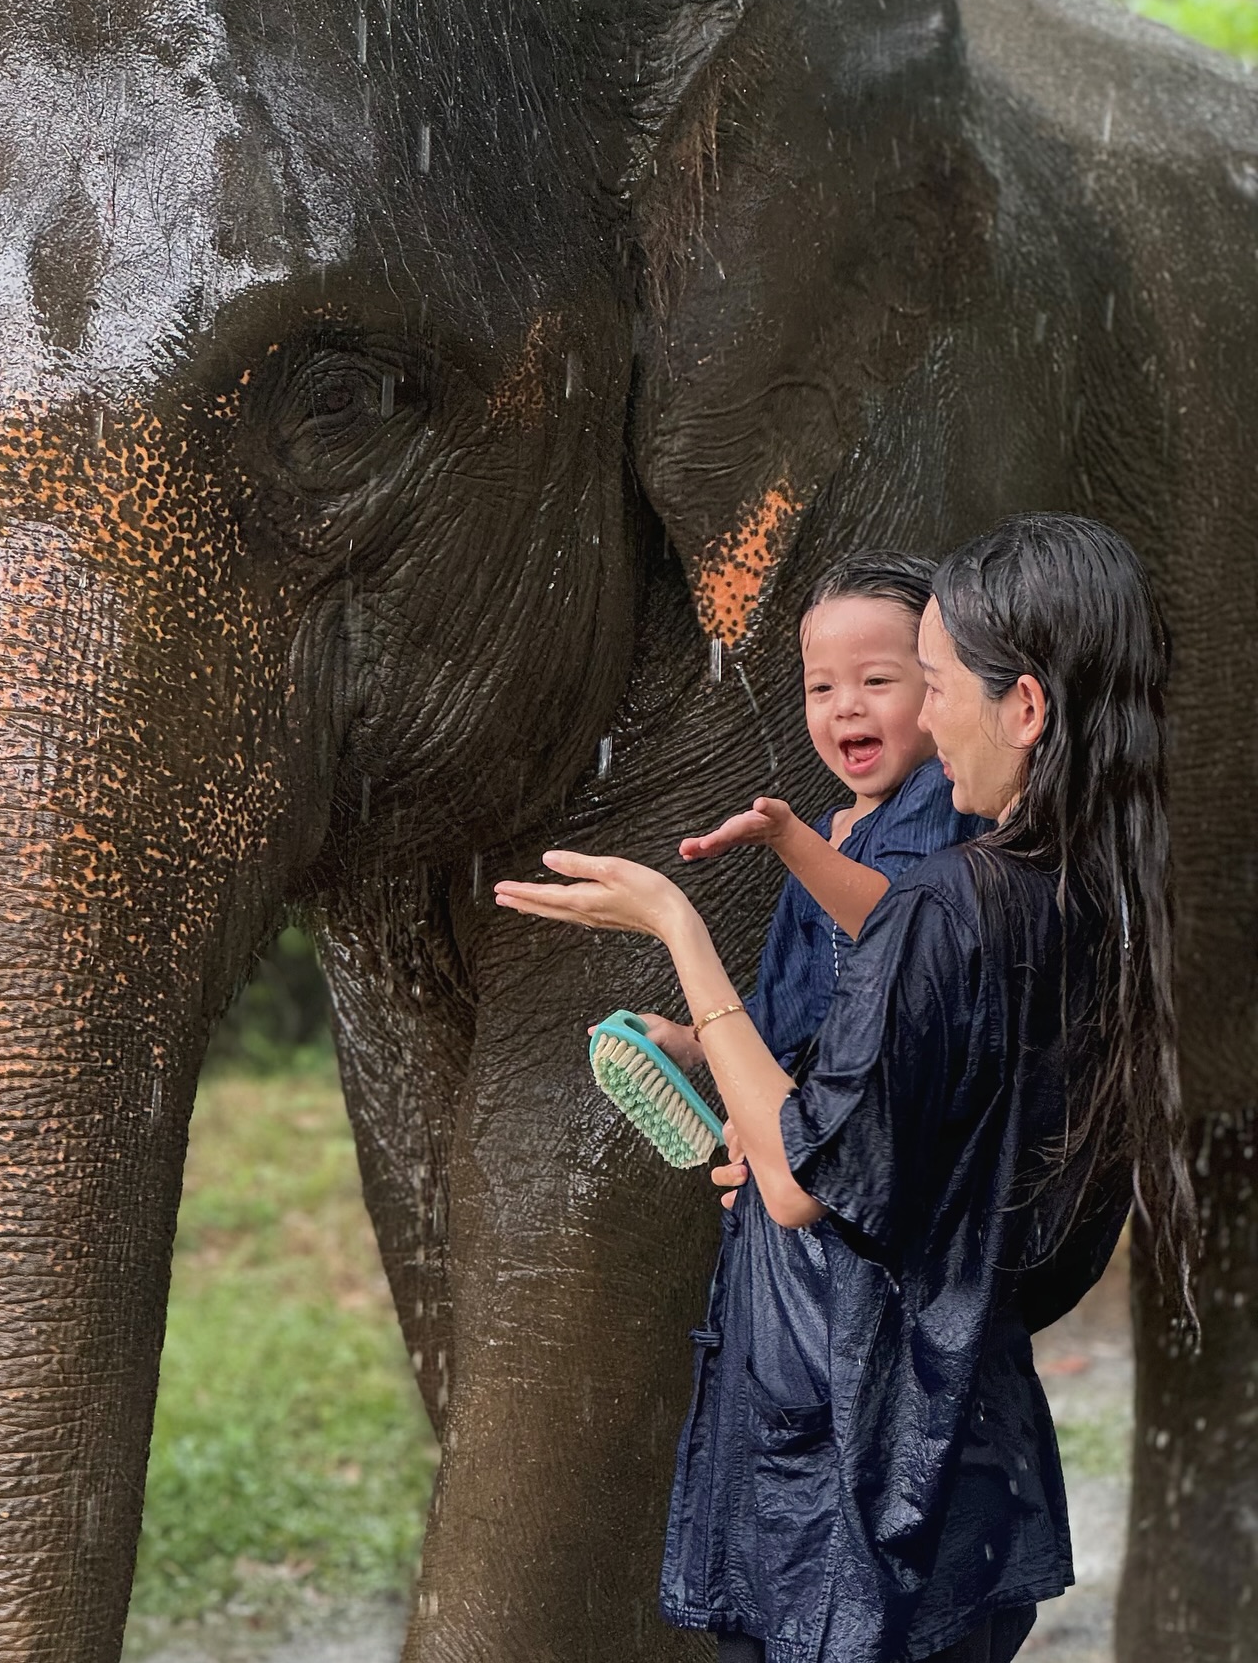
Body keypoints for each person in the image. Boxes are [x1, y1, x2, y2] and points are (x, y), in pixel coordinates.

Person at [494, 514, 1194, 1663]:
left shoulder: (945, 898)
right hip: (968, 1435)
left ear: (1022, 708)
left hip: (862, 1456)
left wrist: (676, 926)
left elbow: (803, 1186)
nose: (913, 710)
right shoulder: (1089, 890)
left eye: (925, 680)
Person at [635, 549, 987, 1096]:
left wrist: (787, 839)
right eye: (821, 688)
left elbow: (899, 926)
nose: (845, 706)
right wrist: (694, 1040)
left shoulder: (943, 792)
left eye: (876, 680)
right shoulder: (826, 836)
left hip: (910, 1112)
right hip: (829, 1113)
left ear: (938, 689)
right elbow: (789, 1006)